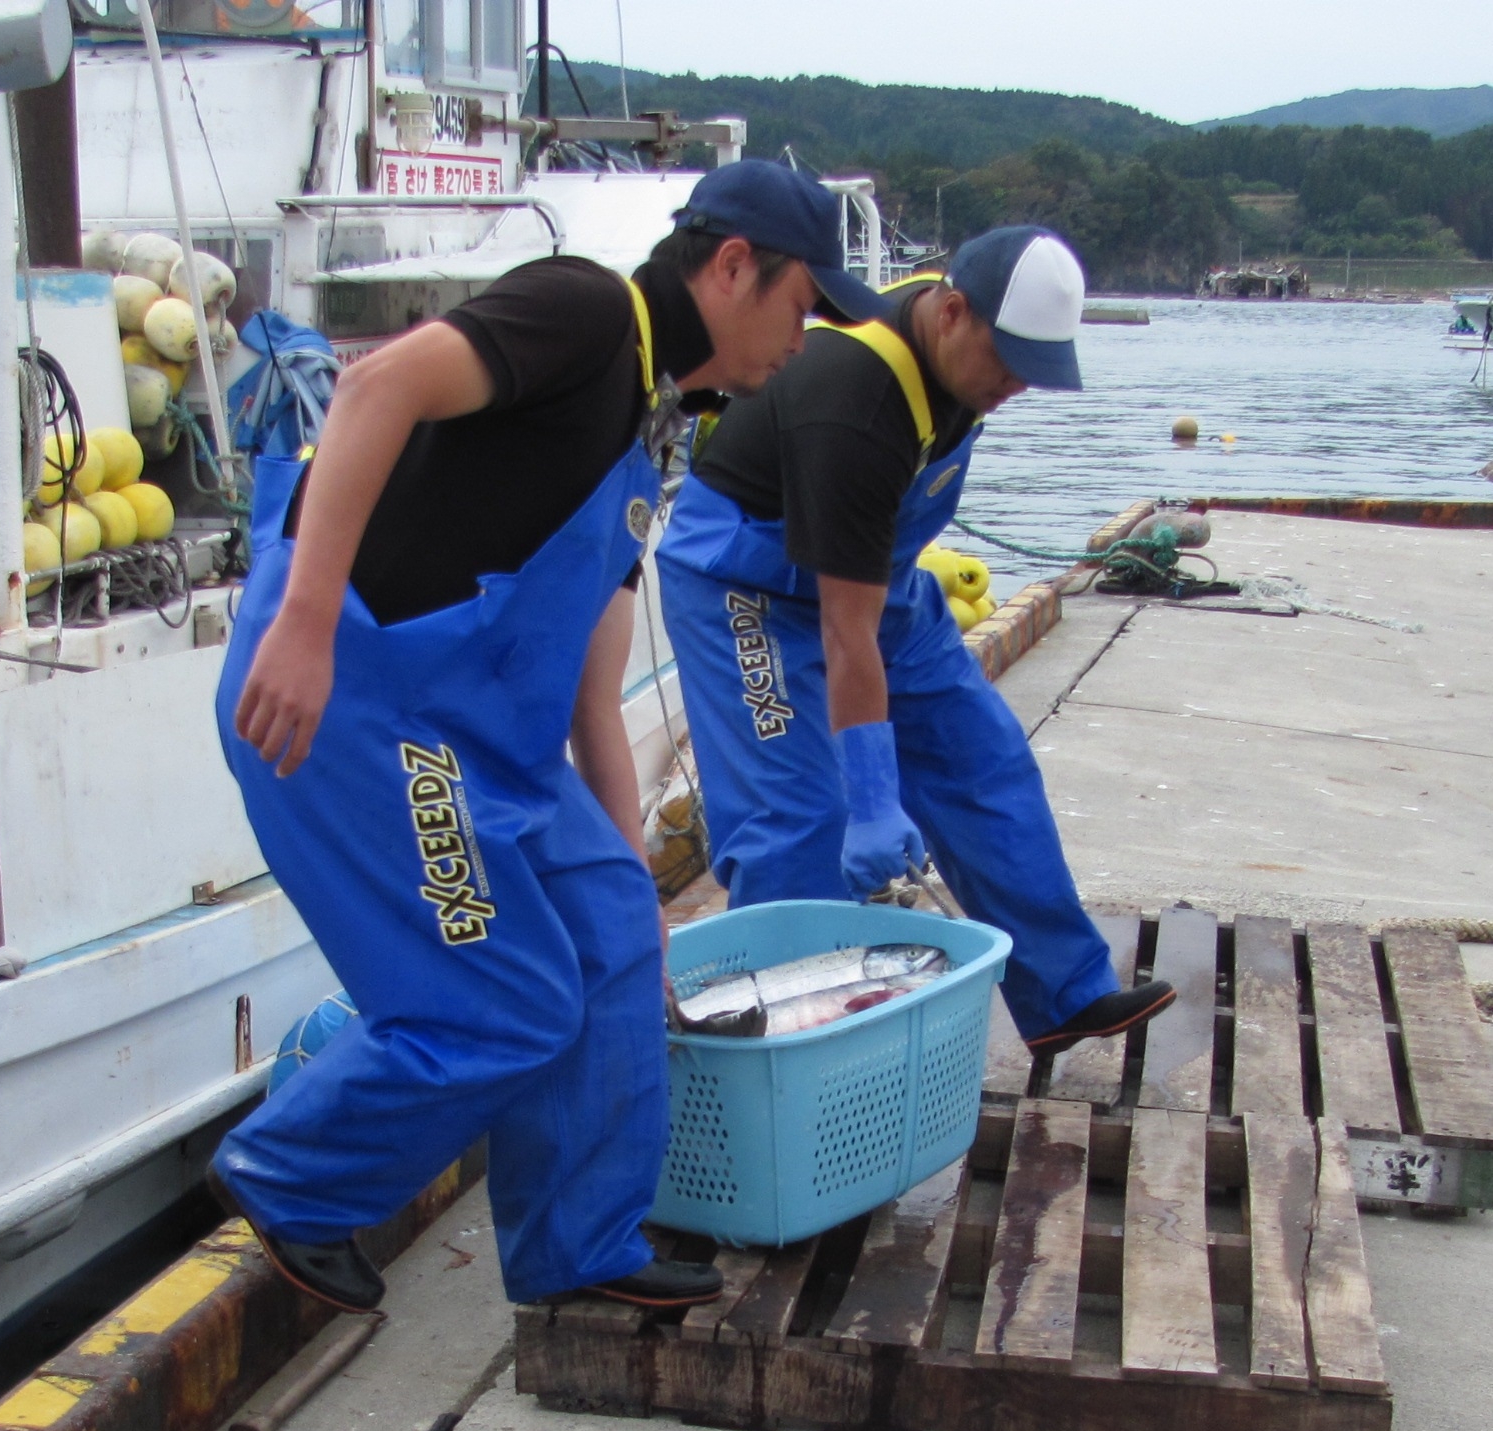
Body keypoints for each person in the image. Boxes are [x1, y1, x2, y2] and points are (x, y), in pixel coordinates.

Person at [209, 160, 892, 1315]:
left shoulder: (649, 415)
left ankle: (579, 1243)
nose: (805, 336)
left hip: (485, 734)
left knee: (617, 927)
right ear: (733, 269)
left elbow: (585, 661)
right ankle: (290, 1179)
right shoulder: (581, 314)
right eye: (800, 305)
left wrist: (616, 844)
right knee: (504, 1001)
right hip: (363, 711)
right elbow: (376, 388)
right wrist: (307, 618)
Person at [653, 226, 1174, 1054]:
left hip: (870, 573)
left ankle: (1065, 992)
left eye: (1032, 372)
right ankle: (791, 1056)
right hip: (744, 583)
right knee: (797, 821)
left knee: (984, 762)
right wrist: (869, 796)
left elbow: (861, 600)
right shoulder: (858, 399)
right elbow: (844, 633)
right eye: (1005, 363)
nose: (1012, 387)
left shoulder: (962, 345)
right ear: (953, 312)